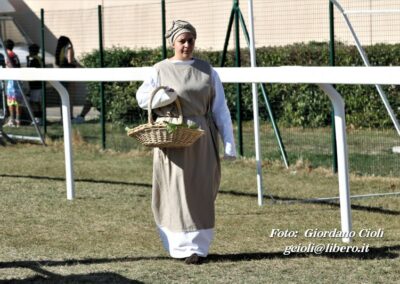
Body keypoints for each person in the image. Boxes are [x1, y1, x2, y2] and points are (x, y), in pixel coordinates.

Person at [136, 20, 236, 265]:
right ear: (172, 43)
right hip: (173, 138)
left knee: (201, 191)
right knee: (176, 191)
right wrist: (163, 96)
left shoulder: (207, 71)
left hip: (201, 138)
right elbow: (142, 98)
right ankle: (179, 247)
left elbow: (220, 109)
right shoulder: (159, 69)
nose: (187, 45)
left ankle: (199, 248)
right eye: (182, 40)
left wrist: (229, 143)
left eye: (191, 40)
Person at [55, 35, 92, 123]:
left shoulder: (59, 49)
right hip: (69, 73)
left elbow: (58, 63)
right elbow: (70, 60)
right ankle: (69, 117)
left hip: (61, 72)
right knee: (70, 96)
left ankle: (63, 117)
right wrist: (80, 66)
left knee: (63, 95)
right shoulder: (68, 47)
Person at [4, 39, 22, 127]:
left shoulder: (9, 55)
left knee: (11, 101)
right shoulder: (15, 55)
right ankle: (18, 120)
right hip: (17, 80)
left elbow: (10, 67)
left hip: (12, 81)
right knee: (17, 101)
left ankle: (12, 120)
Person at [26, 43, 43, 125]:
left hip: (36, 83)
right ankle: (39, 117)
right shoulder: (37, 58)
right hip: (35, 84)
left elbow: (31, 70)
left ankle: (38, 118)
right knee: (36, 102)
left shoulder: (35, 60)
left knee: (34, 102)